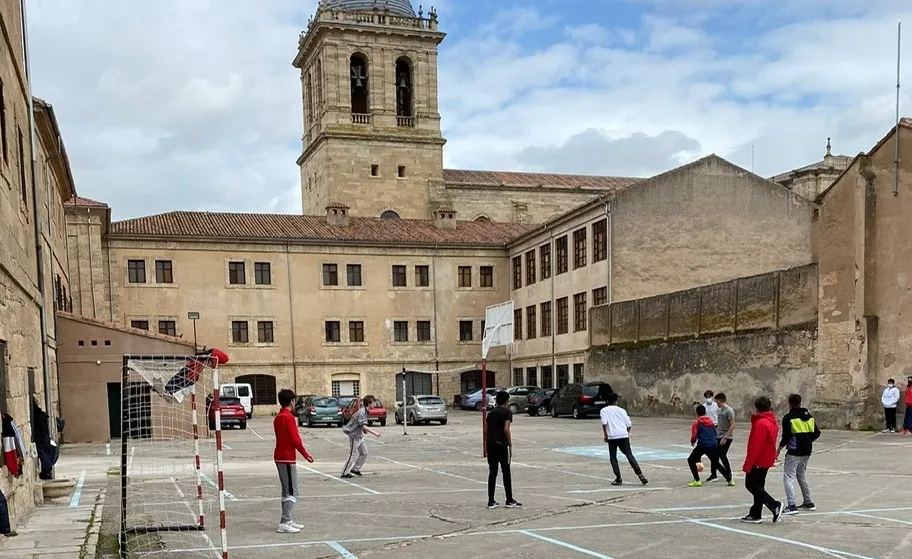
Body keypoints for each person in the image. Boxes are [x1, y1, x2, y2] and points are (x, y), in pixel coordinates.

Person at [273, 388, 314, 534]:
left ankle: (288, 519)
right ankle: (284, 521)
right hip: (287, 457)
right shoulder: (288, 417)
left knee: (286, 490)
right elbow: (295, 439)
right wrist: (306, 455)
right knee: (293, 492)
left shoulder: (278, 417)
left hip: (280, 456)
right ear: (291, 401)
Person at [742, 396, 782, 524]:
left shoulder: (761, 424)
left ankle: (774, 504)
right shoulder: (772, 421)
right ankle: (755, 513)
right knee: (759, 487)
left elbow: (756, 446)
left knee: (751, 485)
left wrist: (748, 464)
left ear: (757, 408)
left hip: (759, 459)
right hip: (766, 458)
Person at [778, 393, 820, 514]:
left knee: (788, 476)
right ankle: (808, 502)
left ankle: (791, 505)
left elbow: (786, 437)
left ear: (789, 403)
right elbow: (817, 433)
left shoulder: (789, 418)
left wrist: (778, 450)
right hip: (807, 450)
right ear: (800, 402)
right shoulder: (809, 417)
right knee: (801, 475)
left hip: (794, 451)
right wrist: (807, 440)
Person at [599, 393, 648, 486]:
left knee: (613, 458)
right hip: (623, 435)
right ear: (616, 401)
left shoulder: (604, 411)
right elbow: (629, 424)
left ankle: (618, 478)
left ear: (607, 401)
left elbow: (604, 423)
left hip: (612, 437)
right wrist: (626, 433)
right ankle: (640, 474)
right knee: (629, 454)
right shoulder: (622, 410)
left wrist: (605, 435)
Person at [486, 391, 521, 509]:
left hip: (490, 445)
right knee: (506, 472)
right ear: (506, 401)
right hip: (502, 445)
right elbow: (506, 429)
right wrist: (510, 444)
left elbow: (486, 430)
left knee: (492, 472)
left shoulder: (490, 413)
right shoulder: (507, 412)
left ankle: (491, 500)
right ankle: (509, 499)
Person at [687, 404, 730, 487]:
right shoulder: (710, 421)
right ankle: (730, 479)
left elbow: (694, 435)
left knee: (691, 460)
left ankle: (697, 480)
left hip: (703, 445)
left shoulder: (697, 422)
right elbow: (714, 432)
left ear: (697, 413)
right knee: (716, 463)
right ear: (705, 412)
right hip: (713, 444)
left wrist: (692, 441)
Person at [341, 395, 381, 479]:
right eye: (373, 402)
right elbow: (363, 425)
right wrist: (375, 433)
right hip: (354, 435)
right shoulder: (362, 412)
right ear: (369, 404)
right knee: (353, 454)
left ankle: (355, 469)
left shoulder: (366, 411)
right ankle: (344, 472)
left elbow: (361, 424)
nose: (375, 404)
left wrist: (364, 431)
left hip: (360, 435)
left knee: (364, 452)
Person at [708, 392, 735, 485]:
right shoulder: (720, 411)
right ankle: (714, 474)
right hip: (718, 435)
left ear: (720, 400)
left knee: (722, 455)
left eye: (717, 401)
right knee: (715, 455)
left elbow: (732, 426)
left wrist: (726, 437)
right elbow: (719, 425)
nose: (716, 403)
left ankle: (728, 473)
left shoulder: (729, 411)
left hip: (727, 437)